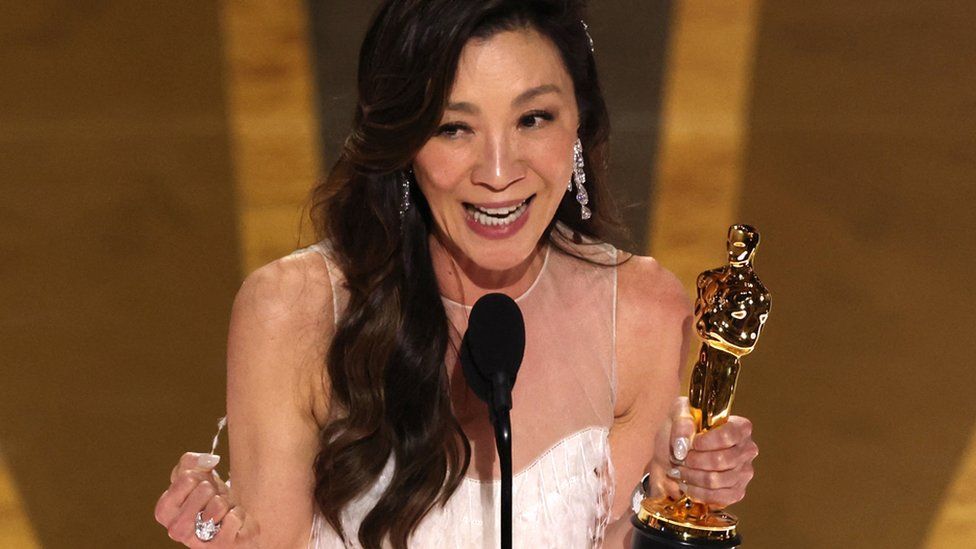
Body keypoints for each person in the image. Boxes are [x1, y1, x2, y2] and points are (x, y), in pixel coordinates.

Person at [154, 1, 759, 547]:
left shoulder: (642, 314)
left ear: (580, 122)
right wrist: (221, 540)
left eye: (533, 119)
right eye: (453, 127)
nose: (498, 173)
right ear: (403, 141)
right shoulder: (294, 313)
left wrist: (678, 507)